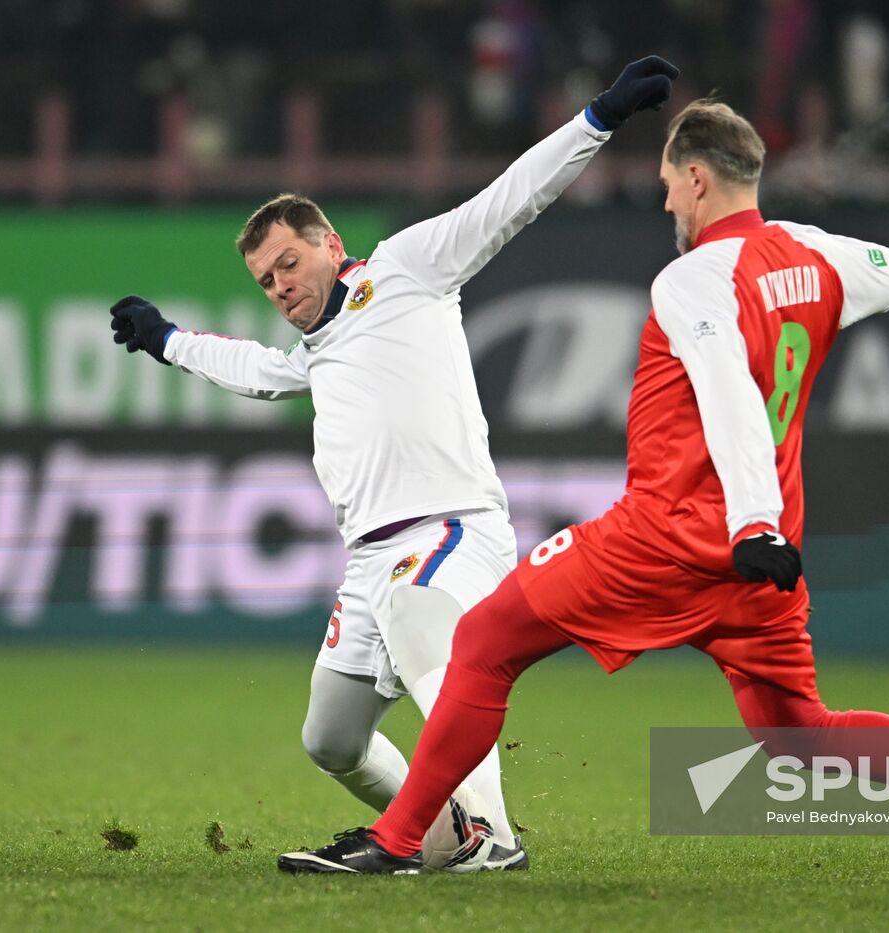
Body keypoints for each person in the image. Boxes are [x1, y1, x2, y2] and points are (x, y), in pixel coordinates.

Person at [335, 99, 889, 881]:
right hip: (764, 559)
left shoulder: (690, 280)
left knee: (482, 641)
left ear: (700, 178)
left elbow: (728, 388)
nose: (668, 200)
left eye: (672, 184)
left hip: (669, 537)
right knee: (799, 734)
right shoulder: (812, 260)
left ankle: (401, 836)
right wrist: (805, 256)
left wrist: (749, 521)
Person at [107, 55, 681, 874]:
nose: (279, 286)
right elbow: (260, 372)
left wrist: (599, 117)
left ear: (330, 245)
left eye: (288, 266)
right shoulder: (318, 349)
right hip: (370, 558)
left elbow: (508, 200)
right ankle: (442, 829)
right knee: (331, 738)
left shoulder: (408, 270)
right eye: (265, 280)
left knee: (425, 624)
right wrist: (167, 341)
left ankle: (490, 834)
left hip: (450, 526)